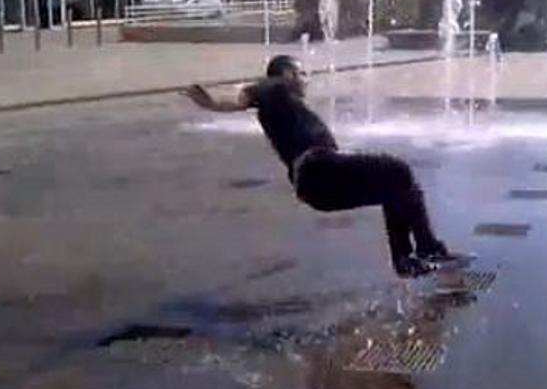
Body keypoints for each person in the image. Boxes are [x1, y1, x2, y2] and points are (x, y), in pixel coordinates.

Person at [182, 55, 460, 278]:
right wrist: (214, 104)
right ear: (287, 75)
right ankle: (426, 248)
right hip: (318, 168)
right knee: (397, 169)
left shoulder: (282, 104)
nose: (307, 80)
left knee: (395, 186)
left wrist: (213, 105)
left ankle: (406, 259)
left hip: (318, 185)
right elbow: (244, 95)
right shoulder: (274, 89)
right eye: (302, 73)